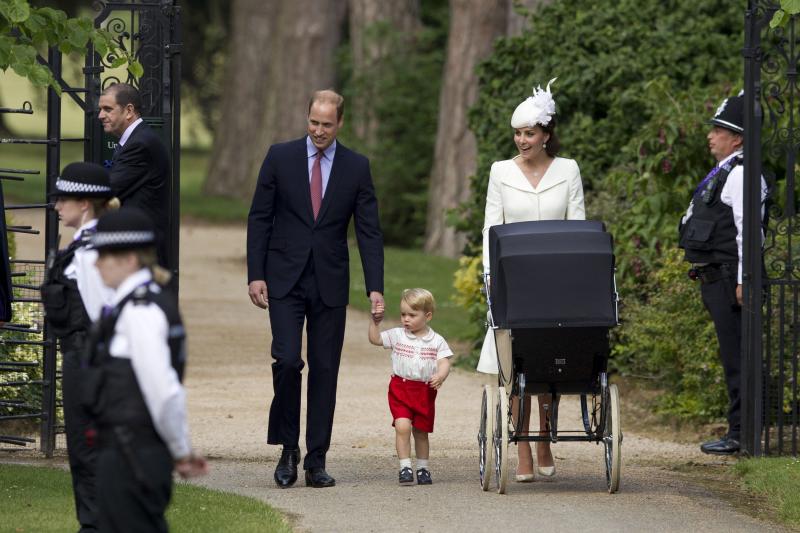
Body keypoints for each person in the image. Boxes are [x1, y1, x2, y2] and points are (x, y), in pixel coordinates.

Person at [247, 89, 385, 488]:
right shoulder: (280, 157)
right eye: (313, 122)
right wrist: (256, 274)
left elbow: (369, 232)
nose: (319, 131)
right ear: (306, 118)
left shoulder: (356, 167)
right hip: (284, 277)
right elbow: (260, 217)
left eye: (327, 124)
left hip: (330, 281)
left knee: (325, 370)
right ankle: (288, 448)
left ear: (340, 123)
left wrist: (375, 286)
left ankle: (316, 460)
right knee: (288, 360)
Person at [476, 79, 586, 481]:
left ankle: (544, 439)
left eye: (529, 133)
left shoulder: (568, 170)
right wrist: (490, 276)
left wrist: (579, 277)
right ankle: (521, 445)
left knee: (547, 365)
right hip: (515, 280)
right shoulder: (500, 171)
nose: (522, 140)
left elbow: (578, 224)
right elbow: (492, 226)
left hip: (558, 280)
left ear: (546, 135)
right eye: (518, 134)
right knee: (516, 364)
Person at [83, 208, 207, 531]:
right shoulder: (134, 303)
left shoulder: (140, 311)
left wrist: (181, 450)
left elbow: (162, 390)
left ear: (130, 259)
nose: (96, 264)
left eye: (104, 255)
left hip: (132, 453)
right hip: (127, 449)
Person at [679, 91, 768, 455]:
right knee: (732, 355)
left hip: (731, 277)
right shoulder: (728, 171)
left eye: (719, 129)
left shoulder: (743, 173)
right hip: (718, 276)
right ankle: (740, 431)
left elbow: (750, 231)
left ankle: (743, 435)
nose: (710, 135)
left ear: (738, 138)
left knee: (739, 358)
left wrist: (745, 279)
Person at [41, 162, 118, 532]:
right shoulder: (89, 243)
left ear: (84, 202)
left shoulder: (91, 252)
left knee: (87, 452)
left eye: (62, 198)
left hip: (90, 362)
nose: (56, 205)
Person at [368, 289, 453, 486]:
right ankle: (405, 466)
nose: (406, 319)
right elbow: (376, 339)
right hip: (401, 388)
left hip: (424, 391)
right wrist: (375, 322)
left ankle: (423, 468)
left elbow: (444, 362)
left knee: (421, 431)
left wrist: (440, 375)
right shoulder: (398, 335)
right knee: (402, 426)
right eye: (403, 314)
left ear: (428, 316)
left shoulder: (436, 341)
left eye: (412, 315)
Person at [98, 82, 170, 266]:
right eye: (100, 109)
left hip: (141, 248)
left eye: (107, 109)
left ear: (129, 111)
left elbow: (110, 188)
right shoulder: (137, 139)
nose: (100, 116)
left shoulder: (140, 144)